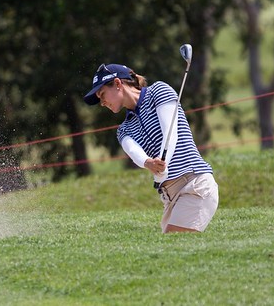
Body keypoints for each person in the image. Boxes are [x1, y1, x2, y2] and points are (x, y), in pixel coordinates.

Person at [83, 63, 219, 233]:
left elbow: (171, 133)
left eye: (102, 94)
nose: (102, 102)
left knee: (173, 250)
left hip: (193, 184)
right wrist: (148, 163)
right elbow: (134, 152)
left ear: (118, 84)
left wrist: (163, 164)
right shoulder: (124, 129)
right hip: (170, 198)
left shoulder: (159, 91)